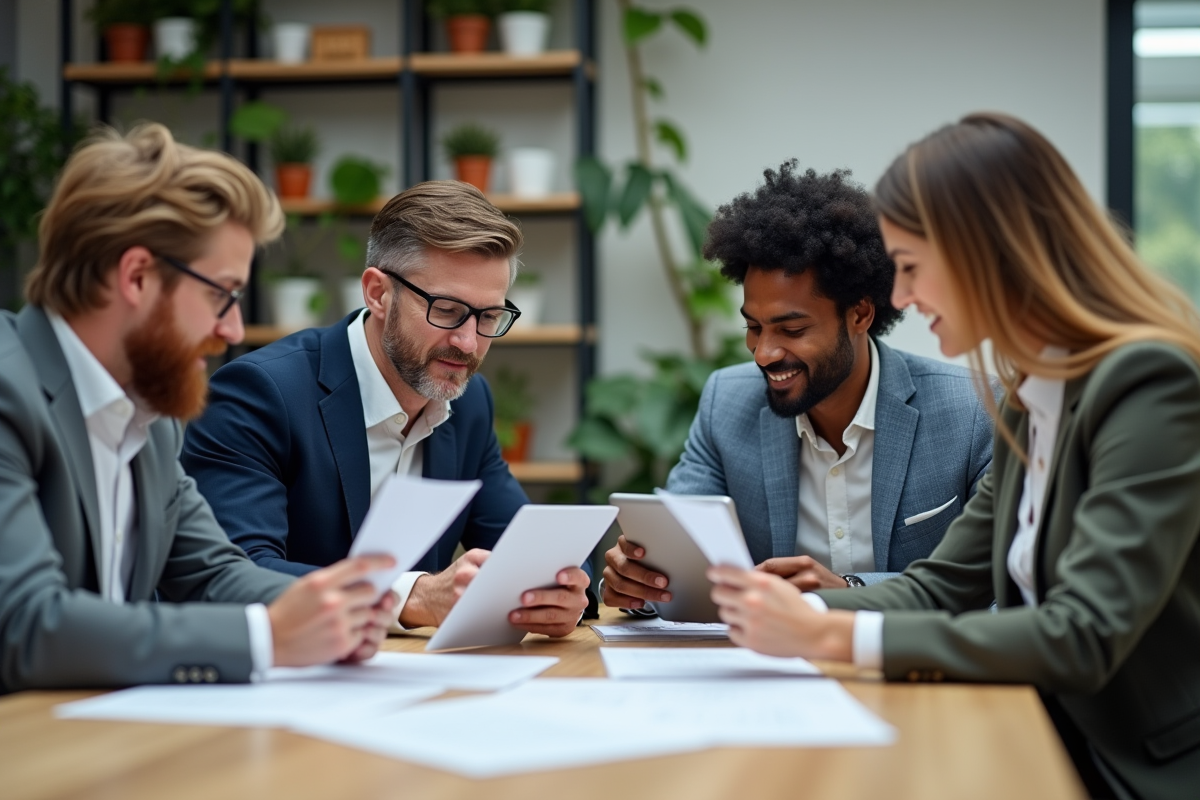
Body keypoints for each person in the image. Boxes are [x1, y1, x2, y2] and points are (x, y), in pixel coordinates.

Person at [709, 113, 1200, 799]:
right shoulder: (1032, 398)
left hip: (1137, 768)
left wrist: (833, 640)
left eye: (909, 268)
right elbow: (941, 586)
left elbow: (1082, 635)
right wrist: (801, 615)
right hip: (1035, 731)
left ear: (987, 251)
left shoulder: (1146, 379)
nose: (900, 298)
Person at [0, 124, 398, 693]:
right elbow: (25, 625)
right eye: (222, 294)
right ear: (137, 275)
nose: (232, 329)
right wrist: (268, 638)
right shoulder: (8, 390)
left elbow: (212, 572)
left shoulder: (150, 419)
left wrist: (335, 611)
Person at [182, 182, 588, 638]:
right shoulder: (262, 393)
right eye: (448, 309)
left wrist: (559, 590)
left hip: (408, 682)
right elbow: (234, 576)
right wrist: (410, 597)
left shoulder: (469, 401)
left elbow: (525, 551)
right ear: (378, 294)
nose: (469, 342)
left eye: (489, 317)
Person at [602, 164, 995, 612]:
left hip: (910, 672)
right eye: (754, 326)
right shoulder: (726, 403)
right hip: (765, 672)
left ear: (860, 315)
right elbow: (676, 561)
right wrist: (640, 586)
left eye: (791, 329)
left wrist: (850, 594)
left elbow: (1006, 591)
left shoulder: (974, 411)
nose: (764, 353)